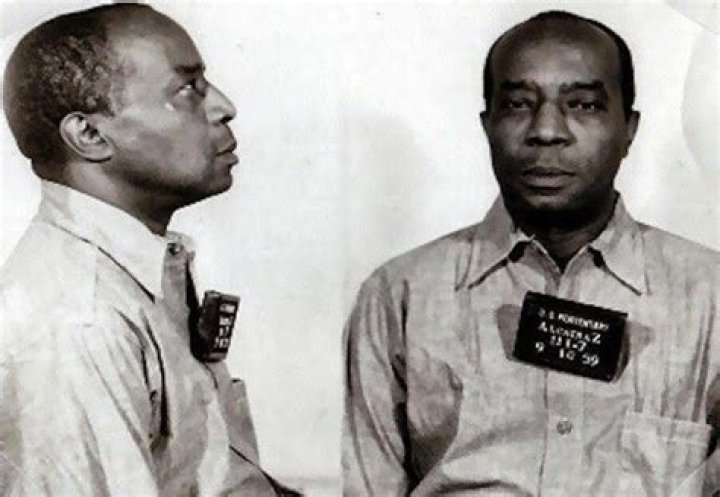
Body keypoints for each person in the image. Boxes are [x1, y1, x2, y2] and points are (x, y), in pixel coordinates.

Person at [343, 10, 719, 496]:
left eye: (583, 105)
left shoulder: (710, 298)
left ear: (629, 129)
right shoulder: (399, 297)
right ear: (487, 125)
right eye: (519, 104)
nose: (546, 130)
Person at [0, 4, 296, 495]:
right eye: (187, 89)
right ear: (89, 134)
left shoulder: (135, 275)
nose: (224, 107)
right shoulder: (77, 320)